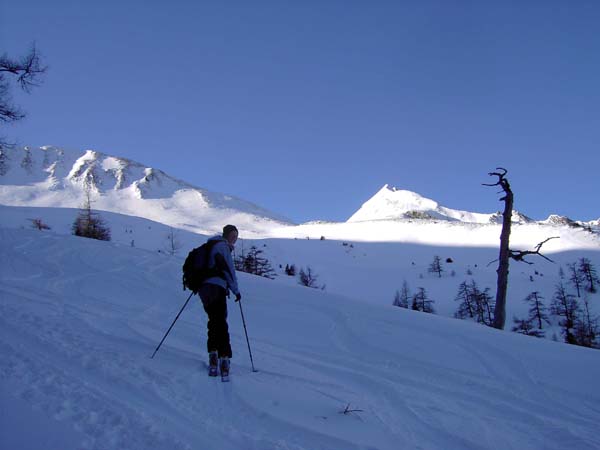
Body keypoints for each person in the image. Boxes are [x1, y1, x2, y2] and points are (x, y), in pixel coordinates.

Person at [198, 224, 241, 378]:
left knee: (214, 321)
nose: (234, 239)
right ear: (226, 235)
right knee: (221, 323)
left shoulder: (211, 245)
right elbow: (228, 270)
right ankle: (223, 357)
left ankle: (213, 353)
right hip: (217, 288)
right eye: (232, 236)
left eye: (236, 237)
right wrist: (236, 290)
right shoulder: (222, 247)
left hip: (204, 290)